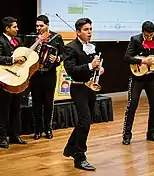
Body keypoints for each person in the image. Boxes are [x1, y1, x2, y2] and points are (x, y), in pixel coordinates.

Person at [122, 21, 154, 145]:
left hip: (151, 78)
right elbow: (127, 57)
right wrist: (143, 61)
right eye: (147, 35)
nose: (149, 37)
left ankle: (151, 133)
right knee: (132, 105)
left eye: (151, 35)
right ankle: (127, 135)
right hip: (137, 78)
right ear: (142, 32)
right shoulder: (135, 40)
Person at [63, 18, 104, 171]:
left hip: (90, 87)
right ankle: (80, 157)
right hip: (78, 88)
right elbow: (71, 70)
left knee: (85, 121)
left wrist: (98, 69)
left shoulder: (92, 47)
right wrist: (89, 65)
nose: (90, 32)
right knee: (85, 121)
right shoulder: (70, 48)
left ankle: (70, 148)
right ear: (78, 32)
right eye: (86, 30)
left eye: (91, 29)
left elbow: (93, 67)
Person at [0, 16, 27, 148]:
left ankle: (14, 135)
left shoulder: (18, 40)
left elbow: (23, 55)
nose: (17, 29)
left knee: (15, 108)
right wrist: (13, 60)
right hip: (5, 79)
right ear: (7, 28)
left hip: (17, 79)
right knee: (3, 109)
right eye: (14, 27)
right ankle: (1, 137)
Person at [29, 15, 65, 140]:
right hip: (35, 74)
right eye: (37, 26)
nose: (39, 28)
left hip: (49, 74)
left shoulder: (56, 38)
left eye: (41, 25)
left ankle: (48, 128)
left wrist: (57, 58)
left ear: (47, 25)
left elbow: (64, 53)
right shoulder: (33, 38)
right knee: (36, 103)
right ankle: (37, 130)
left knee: (49, 102)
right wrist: (37, 41)